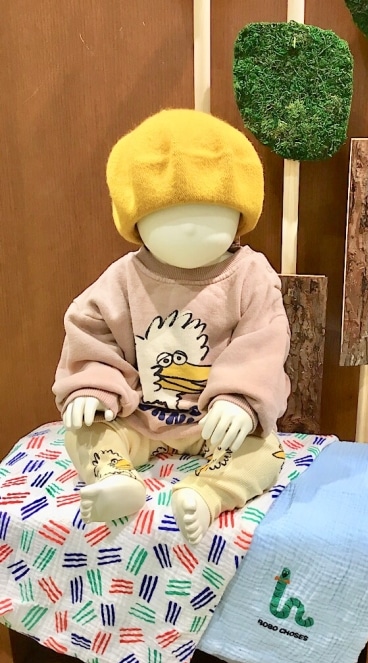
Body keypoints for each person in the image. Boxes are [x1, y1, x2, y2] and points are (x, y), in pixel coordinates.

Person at [53, 109, 290, 545]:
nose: (190, 228)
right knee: (81, 432)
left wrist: (240, 400)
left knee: (266, 452)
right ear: (134, 218)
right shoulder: (123, 278)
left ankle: (207, 493)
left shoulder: (250, 275)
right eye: (167, 212)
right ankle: (115, 477)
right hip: (138, 420)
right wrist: (91, 387)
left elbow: (264, 342)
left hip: (217, 427)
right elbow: (91, 333)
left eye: (210, 209)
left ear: (241, 211)